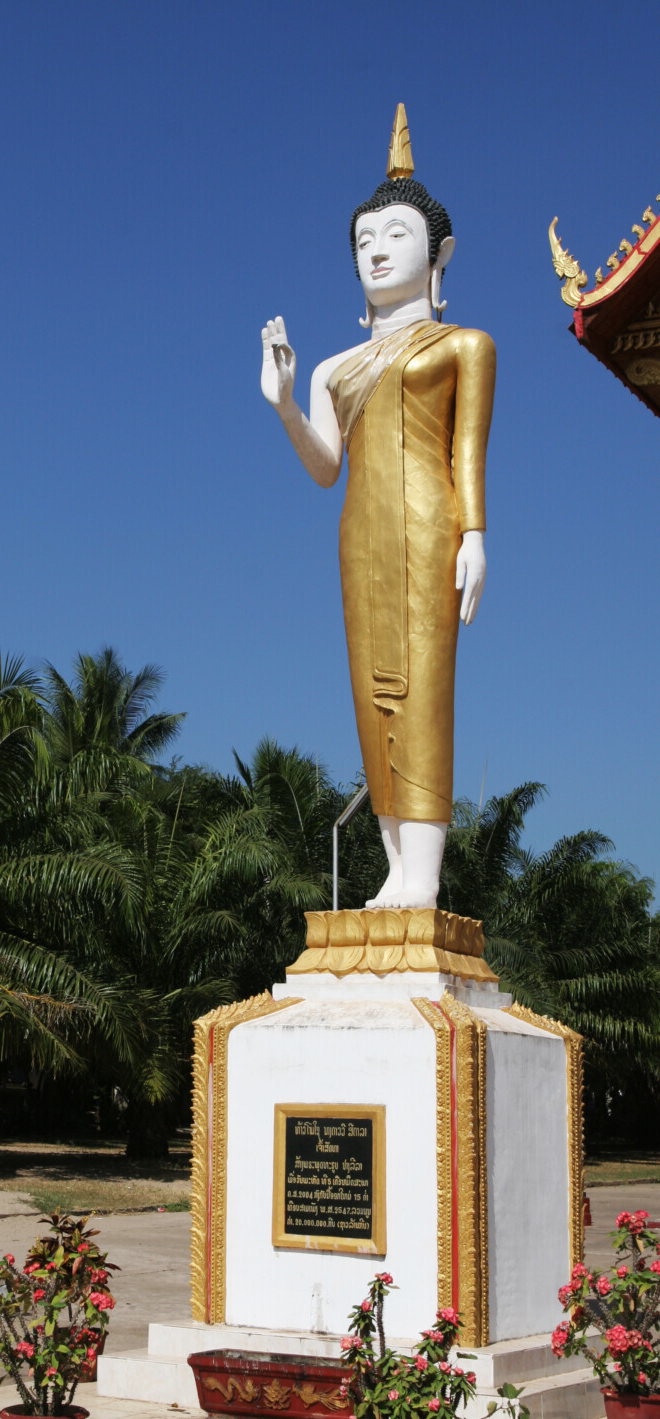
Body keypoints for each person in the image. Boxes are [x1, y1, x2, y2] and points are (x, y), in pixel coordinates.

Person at [260, 106, 495, 909]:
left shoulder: (464, 346)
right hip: (359, 532)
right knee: (372, 691)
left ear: (438, 252)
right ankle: (395, 867)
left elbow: (469, 453)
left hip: (431, 524)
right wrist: (288, 404)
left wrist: (474, 535)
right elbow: (327, 468)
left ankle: (423, 879)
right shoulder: (335, 366)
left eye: (395, 235)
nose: (378, 251)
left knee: (422, 685)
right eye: (364, 241)